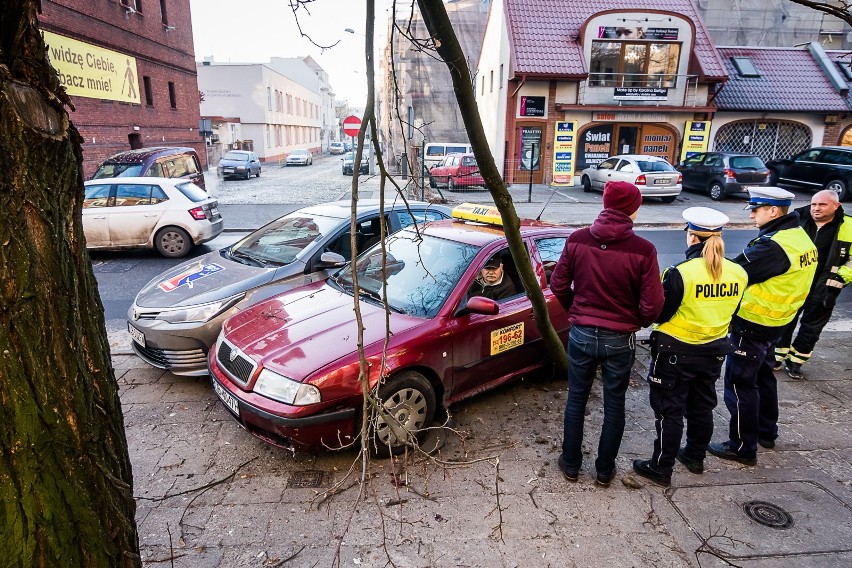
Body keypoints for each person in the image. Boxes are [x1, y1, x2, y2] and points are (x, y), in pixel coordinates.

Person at [550, 180, 664, 486]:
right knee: (614, 403)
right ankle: (604, 471)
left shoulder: (577, 240)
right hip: (619, 339)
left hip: (582, 334)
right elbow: (653, 305)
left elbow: (557, 285)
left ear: (604, 204)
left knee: (576, 399)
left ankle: (571, 465)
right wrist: (634, 320)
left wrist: (578, 311)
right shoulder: (644, 250)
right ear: (633, 209)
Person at [632, 208, 748, 486]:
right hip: (714, 351)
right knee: (701, 407)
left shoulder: (679, 273)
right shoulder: (738, 272)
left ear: (692, 238)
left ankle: (661, 467)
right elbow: (734, 311)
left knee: (669, 410)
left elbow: (661, 313)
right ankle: (695, 456)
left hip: (675, 352)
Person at [709, 187, 818, 465]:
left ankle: (743, 446)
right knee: (764, 377)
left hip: (753, 324)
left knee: (740, 385)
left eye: (756, 210)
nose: (752, 215)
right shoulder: (799, 237)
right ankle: (767, 431)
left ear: (773, 211)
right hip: (778, 322)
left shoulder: (771, 246)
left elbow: (734, 273)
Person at [774, 190, 851, 379]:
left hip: (825, 287)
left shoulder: (848, 226)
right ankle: (775, 357)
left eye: (822, 205)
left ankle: (796, 362)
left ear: (836, 206)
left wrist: (842, 277)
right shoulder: (796, 218)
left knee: (812, 327)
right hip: (794, 284)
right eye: (814, 204)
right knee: (785, 320)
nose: (816, 208)